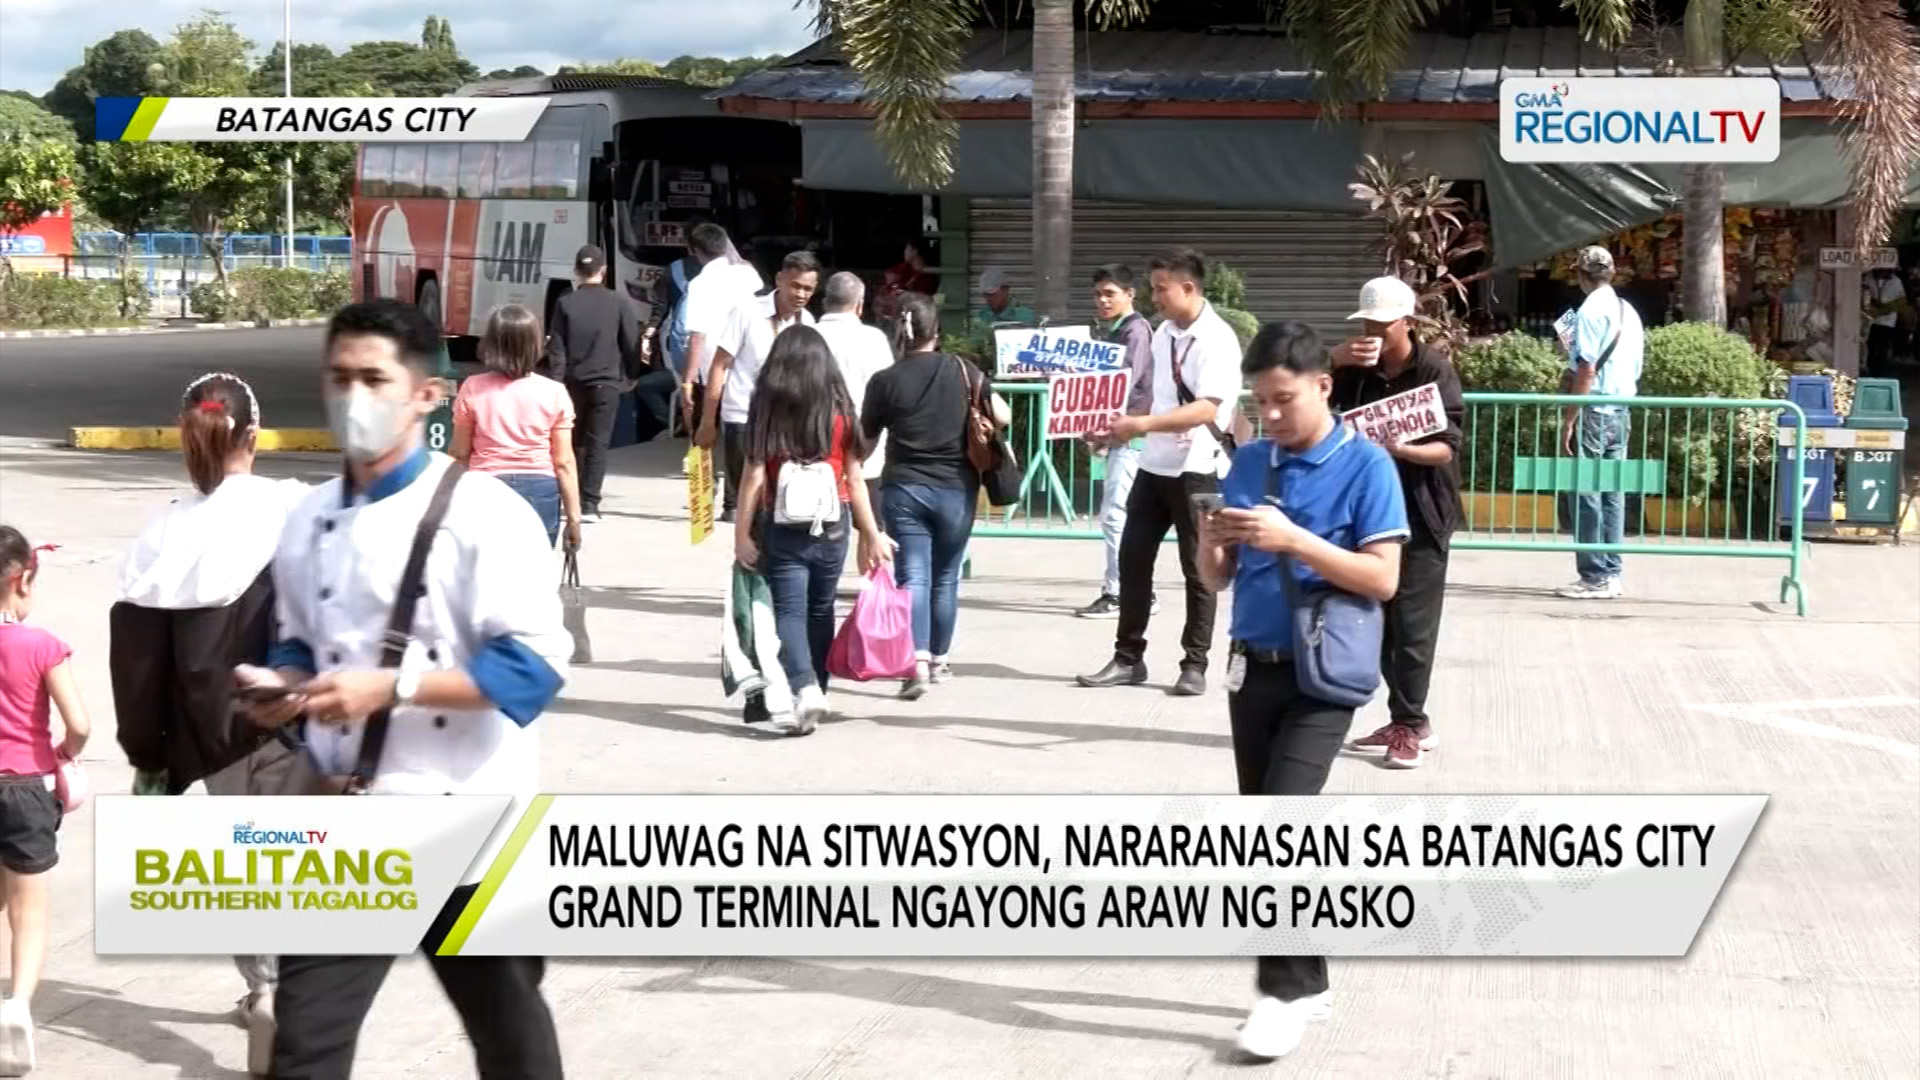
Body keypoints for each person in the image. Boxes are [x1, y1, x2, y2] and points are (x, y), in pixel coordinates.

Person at [236, 299, 568, 1079]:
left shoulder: (487, 515)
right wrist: (282, 683)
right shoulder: (305, 517)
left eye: (374, 378)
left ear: (426, 394)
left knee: (512, 1040)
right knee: (304, 1049)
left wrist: (392, 688)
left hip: (470, 821)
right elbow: (296, 636)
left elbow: (533, 668)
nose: (354, 397)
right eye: (339, 378)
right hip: (346, 825)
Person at [1195, 321, 1407, 1063]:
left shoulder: (1367, 467)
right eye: (1260, 402)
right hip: (1252, 665)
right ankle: (1309, 977)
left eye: (1284, 399)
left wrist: (1296, 542)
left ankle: (1279, 994)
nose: (1272, 415)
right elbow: (1216, 579)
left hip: (1326, 674)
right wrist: (1210, 544)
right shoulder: (1249, 460)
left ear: (1323, 384)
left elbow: (1383, 578)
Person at [110, 372, 308, 1076]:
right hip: (292, 720)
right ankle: (297, 997)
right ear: (254, 435)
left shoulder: (161, 531)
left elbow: (134, 661)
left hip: (212, 733)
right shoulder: (291, 509)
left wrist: (146, 754)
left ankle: (264, 988)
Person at [1077, 248, 1242, 697]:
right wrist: (1113, 431)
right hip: (1153, 464)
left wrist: (1142, 425)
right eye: (1153, 288)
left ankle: (1194, 663)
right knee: (1133, 560)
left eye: (1160, 288)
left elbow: (1208, 406)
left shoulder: (1217, 339)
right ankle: (1128, 657)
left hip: (1198, 469)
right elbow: (1158, 398)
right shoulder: (1164, 333)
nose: (1155, 297)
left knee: (1198, 569)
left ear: (1188, 288)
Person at [1329, 277, 1464, 769]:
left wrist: (1399, 450)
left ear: (1406, 322)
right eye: (1366, 323)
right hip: (1367, 513)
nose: (1374, 332)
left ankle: (1411, 725)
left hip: (1423, 512)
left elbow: (1447, 446)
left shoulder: (1434, 369)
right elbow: (1314, 409)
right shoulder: (1353, 370)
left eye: (1383, 324)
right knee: (1377, 622)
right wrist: (1334, 359)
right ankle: (1404, 716)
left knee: (1413, 625)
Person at [734, 325, 892, 734]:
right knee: (820, 610)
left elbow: (753, 476)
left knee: (788, 611)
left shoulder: (769, 410)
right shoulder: (840, 412)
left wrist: (741, 535)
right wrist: (871, 532)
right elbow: (856, 479)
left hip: (783, 525)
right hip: (834, 522)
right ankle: (815, 691)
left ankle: (804, 688)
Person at [0, 527, 91, 1075]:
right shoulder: (41, 645)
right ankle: (15, 1006)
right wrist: (66, 751)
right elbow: (79, 722)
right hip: (26, 787)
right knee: (28, 909)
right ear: (21, 579)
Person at [860, 293, 979, 700]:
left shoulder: (885, 380)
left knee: (914, 577)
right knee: (945, 577)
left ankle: (917, 663)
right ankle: (940, 658)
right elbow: (998, 413)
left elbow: (865, 439)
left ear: (900, 333)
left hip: (904, 488)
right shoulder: (963, 371)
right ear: (937, 333)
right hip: (957, 490)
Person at [696, 250, 821, 524]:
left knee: (775, 503)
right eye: (796, 285)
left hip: (785, 425)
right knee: (744, 506)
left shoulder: (808, 323)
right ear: (779, 279)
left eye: (808, 289)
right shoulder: (747, 312)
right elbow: (719, 365)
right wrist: (708, 422)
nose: (801, 294)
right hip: (744, 417)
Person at [454, 305, 583, 551]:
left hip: (483, 486)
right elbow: (564, 462)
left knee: (485, 575)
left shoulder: (472, 387)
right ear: (534, 344)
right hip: (540, 488)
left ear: (491, 342)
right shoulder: (554, 392)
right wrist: (574, 519)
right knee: (533, 576)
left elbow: (460, 454)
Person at [1557, 246, 1644, 601]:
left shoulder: (1590, 310)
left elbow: (1586, 369)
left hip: (1594, 411)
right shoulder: (1629, 310)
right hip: (1622, 409)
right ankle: (1611, 573)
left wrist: (1570, 418)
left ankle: (1594, 575)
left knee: (1588, 493)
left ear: (1580, 275)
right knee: (1612, 493)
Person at [1076, 264, 1159, 620]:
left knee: (1115, 515)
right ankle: (1132, 590)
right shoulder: (1117, 331)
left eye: (1110, 293)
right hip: (1123, 437)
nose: (1102, 300)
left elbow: (1120, 385)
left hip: (1132, 438)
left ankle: (1120, 592)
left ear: (1130, 295)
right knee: (1119, 515)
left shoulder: (1135, 332)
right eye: (1098, 294)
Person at [544, 244, 639, 524]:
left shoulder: (565, 303)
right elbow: (631, 343)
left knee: (571, 442)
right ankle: (589, 505)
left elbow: (557, 349)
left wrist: (557, 383)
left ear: (576, 271)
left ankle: (568, 497)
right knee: (598, 443)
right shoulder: (618, 302)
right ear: (604, 271)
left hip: (573, 384)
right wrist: (630, 375)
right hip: (607, 383)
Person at [813, 271, 896, 511]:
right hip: (866, 450)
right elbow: (887, 394)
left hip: (816, 449)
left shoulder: (806, 335)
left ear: (826, 302)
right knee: (871, 532)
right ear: (860, 306)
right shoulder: (875, 339)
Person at [680, 224, 765, 446]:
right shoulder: (748, 274)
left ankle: (704, 478)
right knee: (745, 439)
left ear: (694, 250)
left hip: (711, 374)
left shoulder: (699, 284)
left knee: (703, 438)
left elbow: (697, 338)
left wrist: (686, 383)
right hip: (747, 368)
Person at [874, 240, 939, 321]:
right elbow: (888, 285)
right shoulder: (902, 268)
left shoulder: (929, 274)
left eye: (907, 249)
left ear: (915, 251)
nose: (904, 252)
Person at [1864, 265, 1906, 378]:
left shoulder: (1896, 281)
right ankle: (1870, 373)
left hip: (1888, 323)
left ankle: (1881, 375)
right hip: (1870, 322)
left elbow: (1902, 303)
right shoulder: (1868, 278)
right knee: (1870, 349)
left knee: (1883, 350)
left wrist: (1884, 309)